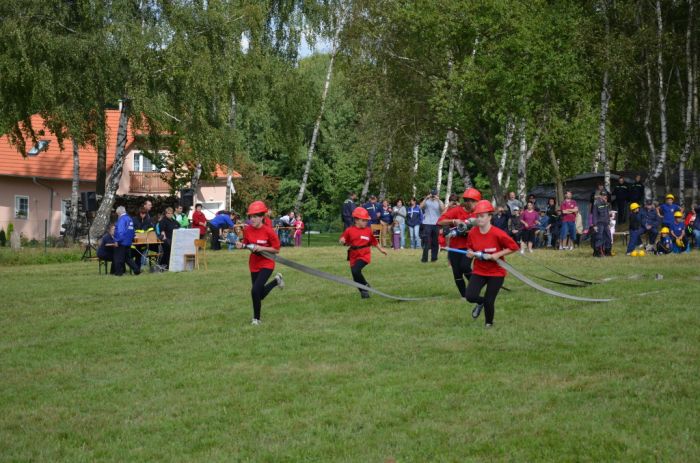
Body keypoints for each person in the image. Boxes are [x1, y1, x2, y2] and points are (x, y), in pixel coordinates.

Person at [465, 200, 520, 328]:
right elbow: (470, 248)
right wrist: (470, 253)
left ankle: (488, 324)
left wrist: (497, 255)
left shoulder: (498, 233)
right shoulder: (472, 233)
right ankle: (481, 303)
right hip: (479, 270)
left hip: (496, 272)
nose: (479, 219)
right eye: (477, 216)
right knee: (470, 296)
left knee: (490, 300)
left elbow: (513, 247)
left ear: (490, 217)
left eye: (482, 216)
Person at [235, 201, 284, 325]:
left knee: (255, 291)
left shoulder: (269, 231)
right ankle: (276, 281)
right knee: (259, 294)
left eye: (255, 216)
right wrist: (241, 245)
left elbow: (276, 249)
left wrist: (262, 248)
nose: (253, 219)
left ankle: (256, 319)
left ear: (262, 217)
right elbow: (246, 244)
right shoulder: (248, 230)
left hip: (267, 263)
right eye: (251, 216)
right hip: (254, 264)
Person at [438, 188, 481, 299]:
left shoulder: (478, 213)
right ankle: (464, 296)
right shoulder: (456, 210)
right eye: (472, 202)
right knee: (457, 273)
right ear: (467, 202)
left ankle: (476, 288)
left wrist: (470, 231)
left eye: (476, 202)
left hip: (469, 246)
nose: (474, 205)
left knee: (465, 266)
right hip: (455, 246)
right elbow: (440, 221)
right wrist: (453, 221)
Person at [339, 207, 387, 298]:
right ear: (356, 220)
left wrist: (381, 250)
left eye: (366, 220)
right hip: (353, 255)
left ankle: (365, 285)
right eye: (364, 220)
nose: (366, 222)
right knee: (355, 275)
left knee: (356, 270)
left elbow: (374, 242)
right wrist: (342, 240)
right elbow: (343, 239)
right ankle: (364, 293)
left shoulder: (368, 230)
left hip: (364, 255)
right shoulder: (349, 230)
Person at [113, 206, 139, 276]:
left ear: (119, 212)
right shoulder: (129, 219)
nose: (117, 215)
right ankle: (136, 269)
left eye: (117, 213)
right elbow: (132, 231)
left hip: (122, 242)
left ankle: (119, 273)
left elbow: (120, 232)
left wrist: (117, 240)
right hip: (128, 242)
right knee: (127, 258)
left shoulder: (122, 219)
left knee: (118, 258)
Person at [420, 189, 445, 262]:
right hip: (427, 223)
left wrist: (439, 200)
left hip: (436, 223)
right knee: (426, 241)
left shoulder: (439, 202)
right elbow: (420, 207)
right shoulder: (427, 201)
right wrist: (426, 198)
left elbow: (443, 209)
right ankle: (424, 259)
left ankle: (434, 258)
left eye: (434, 194)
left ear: (437, 194)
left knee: (435, 242)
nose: (433, 196)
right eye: (432, 194)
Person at [132, 206, 155, 272]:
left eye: (144, 213)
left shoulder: (147, 220)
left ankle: (139, 268)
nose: (143, 215)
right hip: (135, 240)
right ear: (139, 213)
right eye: (142, 213)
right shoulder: (134, 219)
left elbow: (151, 228)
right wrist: (139, 232)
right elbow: (133, 229)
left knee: (139, 256)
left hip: (144, 240)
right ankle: (136, 268)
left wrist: (147, 232)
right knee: (136, 255)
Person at [591, 192, 612, 257]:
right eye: (603, 195)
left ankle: (607, 252)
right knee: (599, 238)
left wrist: (608, 223)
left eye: (605, 195)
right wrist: (594, 225)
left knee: (608, 237)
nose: (605, 196)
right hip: (599, 223)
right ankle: (597, 252)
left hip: (606, 223)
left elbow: (607, 214)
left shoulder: (606, 204)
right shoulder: (596, 204)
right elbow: (594, 215)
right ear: (600, 196)